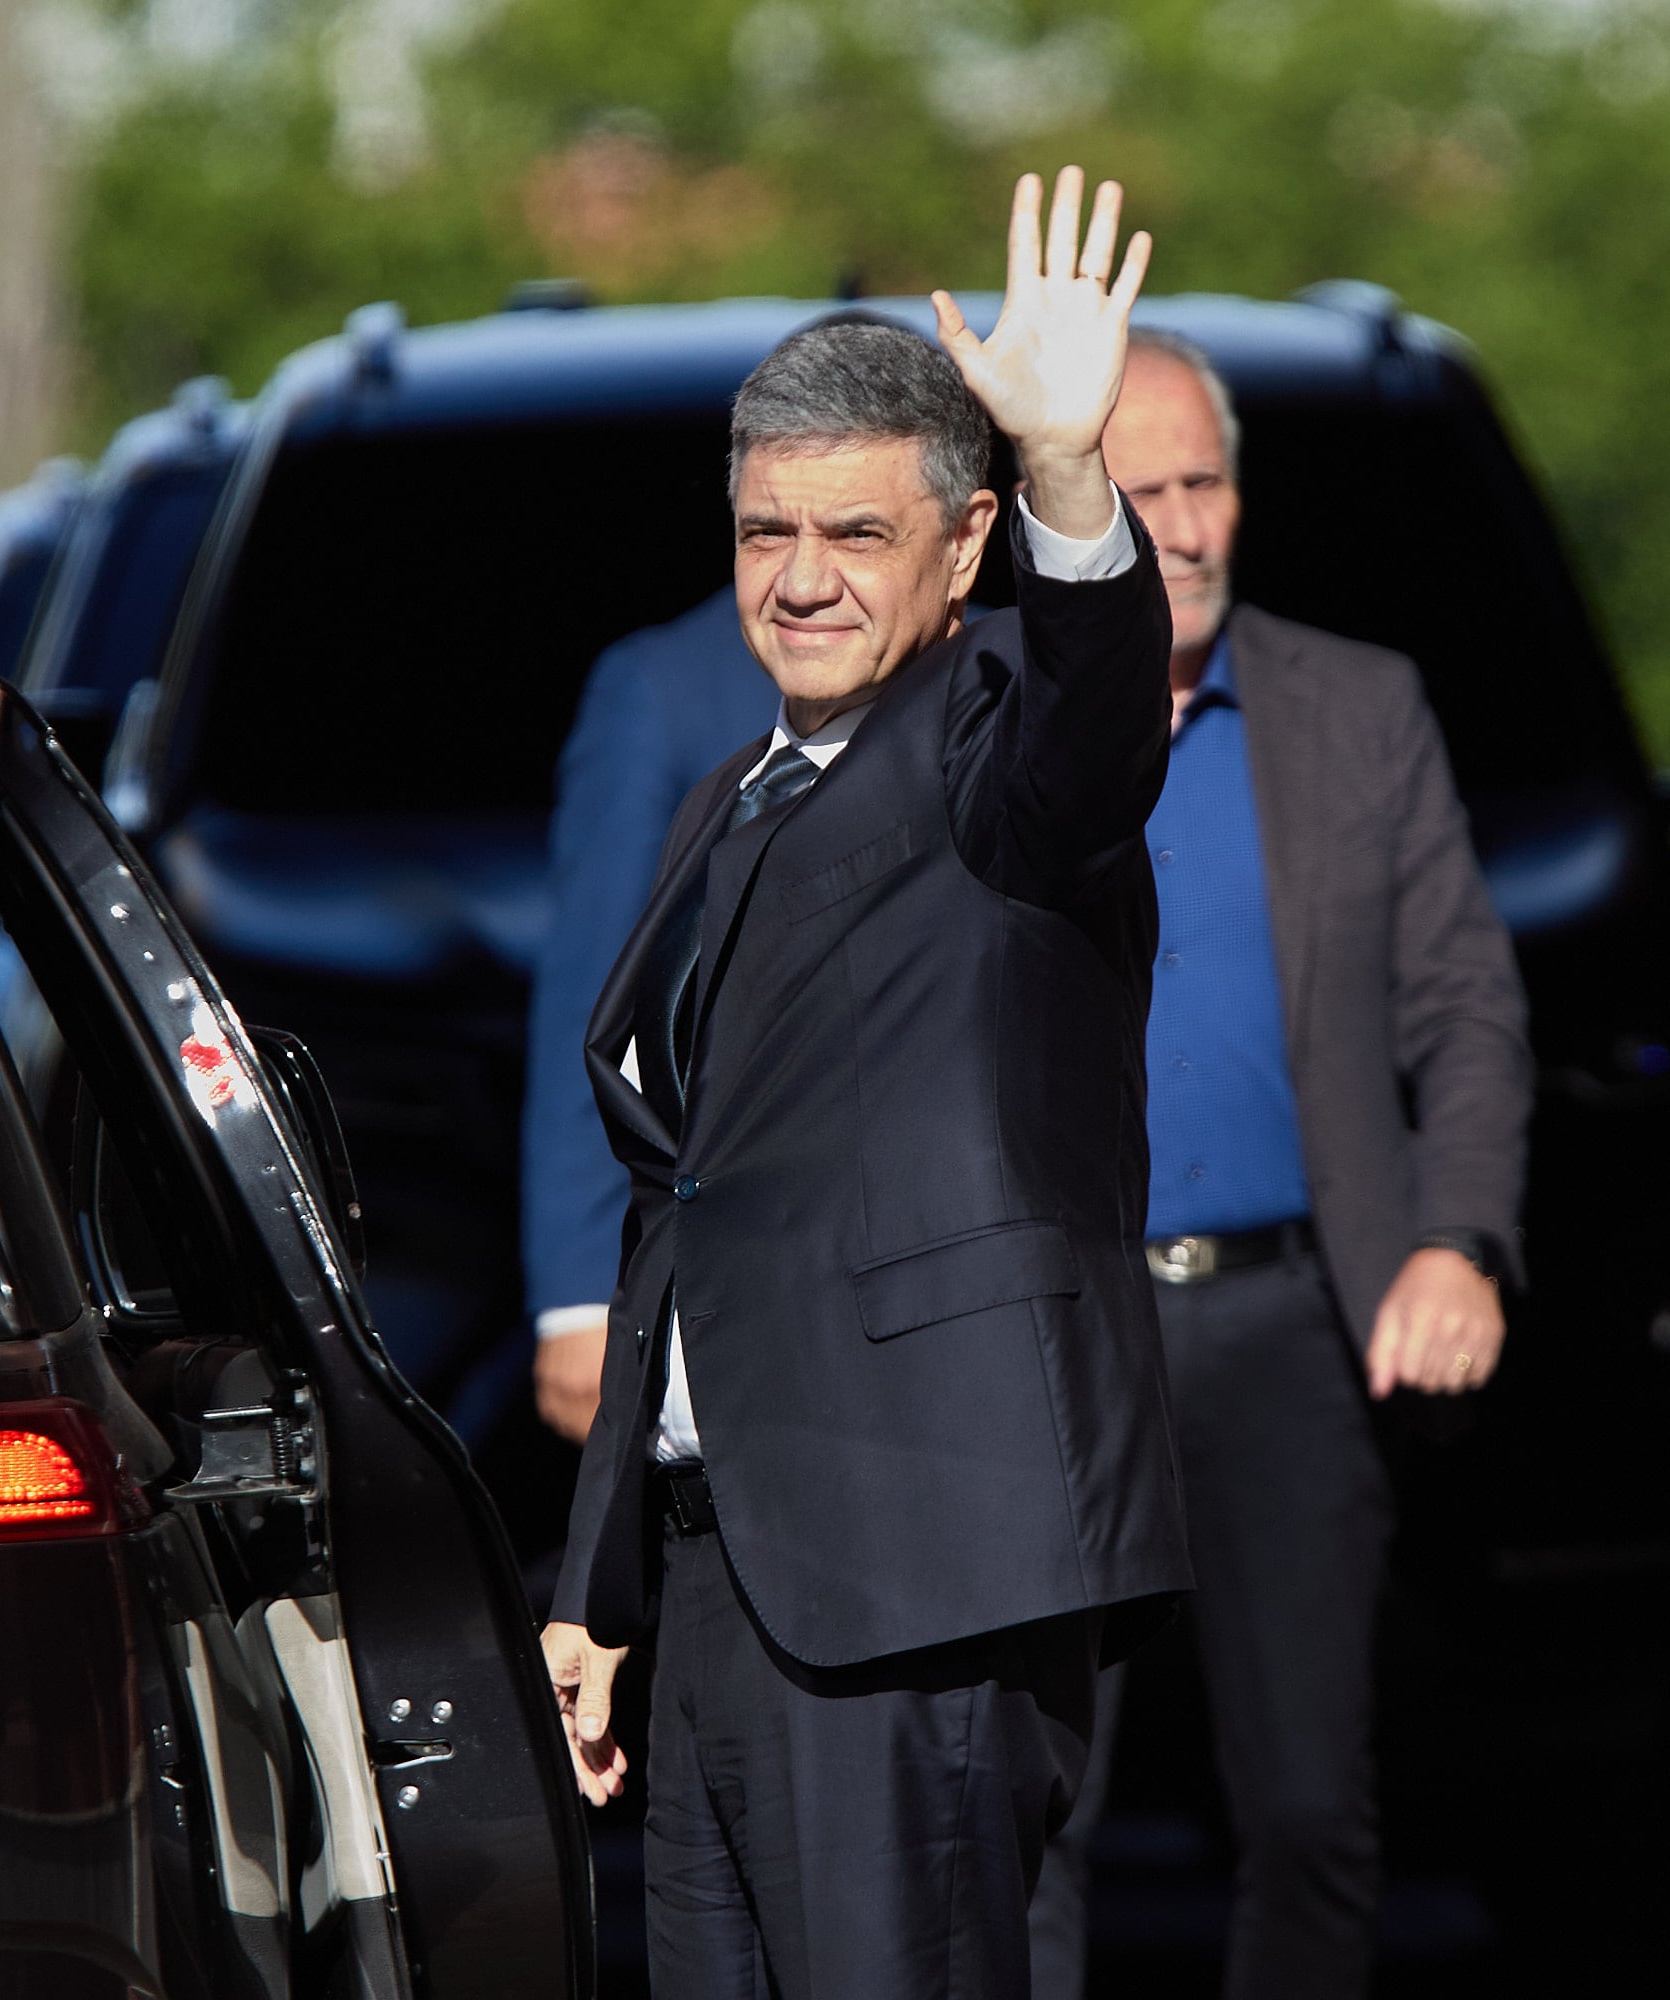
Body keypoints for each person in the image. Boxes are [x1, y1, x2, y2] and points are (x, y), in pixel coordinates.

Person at [537, 168, 1191, 1997]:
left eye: (855, 533)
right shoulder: (727, 794)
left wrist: (1068, 471)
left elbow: (1093, 734)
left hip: (918, 1573)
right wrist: (599, 1587)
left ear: (963, 550)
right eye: (767, 532)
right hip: (724, 1587)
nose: (802, 577)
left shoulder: (990, 755)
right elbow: (687, 1207)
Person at [1025, 331, 1534, 1999]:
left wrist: (1459, 1237)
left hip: (1296, 1327)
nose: (1181, 526)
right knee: (1035, 1815)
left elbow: (1465, 1004)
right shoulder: (983, 713)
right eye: (1139, 491)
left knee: (1314, 1807)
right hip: (1055, 1334)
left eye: (1205, 484)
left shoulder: (1356, 707)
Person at [522, 586, 768, 1444]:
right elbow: (599, 998)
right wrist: (583, 1293)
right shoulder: (670, 685)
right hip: (754, 1264)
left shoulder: (1020, 668)